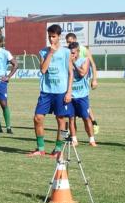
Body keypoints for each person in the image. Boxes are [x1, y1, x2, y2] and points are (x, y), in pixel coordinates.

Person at [28, 24, 74, 157]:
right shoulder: (43, 52)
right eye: (49, 36)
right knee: (38, 118)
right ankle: (40, 148)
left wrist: (69, 91)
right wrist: (51, 53)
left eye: (53, 36)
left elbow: (70, 72)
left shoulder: (66, 52)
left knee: (61, 120)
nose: (51, 39)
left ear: (59, 37)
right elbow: (43, 70)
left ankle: (58, 149)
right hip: (46, 91)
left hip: (61, 91)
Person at [65, 32, 99, 133]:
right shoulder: (67, 50)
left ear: (75, 40)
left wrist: (94, 79)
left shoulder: (84, 50)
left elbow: (92, 64)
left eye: (71, 42)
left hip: (82, 81)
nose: (69, 44)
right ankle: (72, 134)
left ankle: (93, 123)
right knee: (72, 113)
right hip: (72, 83)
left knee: (85, 105)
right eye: (67, 42)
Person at [68, 42, 97, 146]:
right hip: (70, 95)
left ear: (78, 52)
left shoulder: (84, 60)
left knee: (86, 118)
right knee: (71, 118)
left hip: (82, 95)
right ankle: (74, 140)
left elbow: (82, 73)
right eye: (70, 53)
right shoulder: (67, 62)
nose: (71, 55)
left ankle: (92, 140)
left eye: (73, 53)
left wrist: (74, 63)